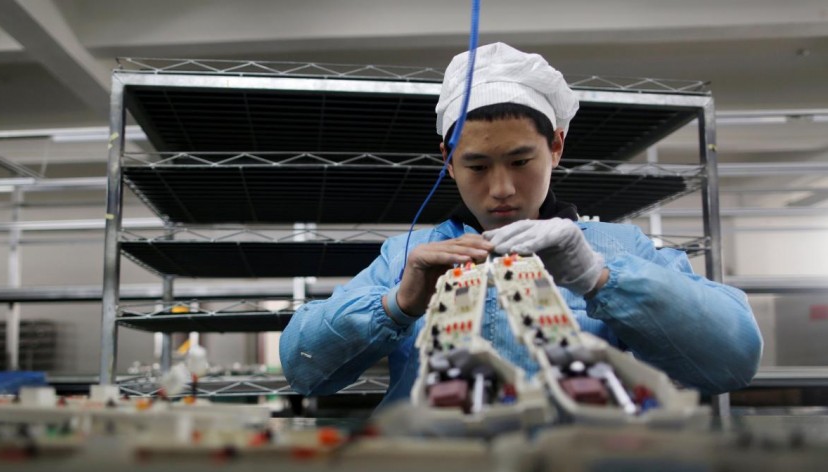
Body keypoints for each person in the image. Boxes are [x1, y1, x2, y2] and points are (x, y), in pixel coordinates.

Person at [279, 42, 762, 408]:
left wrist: (599, 276)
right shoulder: (409, 257)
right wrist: (399, 303)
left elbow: (733, 359)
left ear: (556, 146)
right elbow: (303, 370)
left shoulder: (619, 246)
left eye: (520, 159)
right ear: (448, 161)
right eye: (478, 166)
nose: (503, 188)